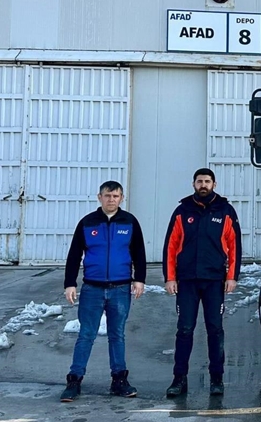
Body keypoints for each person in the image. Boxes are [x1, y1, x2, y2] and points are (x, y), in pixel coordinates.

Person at [60, 181, 146, 402]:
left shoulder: (129, 222)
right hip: (92, 289)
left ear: (122, 198)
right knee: (86, 335)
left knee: (117, 335)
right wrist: (70, 283)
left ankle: (119, 380)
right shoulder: (87, 223)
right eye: (107, 195)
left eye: (116, 196)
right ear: (99, 197)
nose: (111, 200)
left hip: (120, 288)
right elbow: (74, 255)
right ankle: (74, 380)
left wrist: (139, 280)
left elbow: (139, 252)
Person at [163, 168, 242, 397]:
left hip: (214, 281)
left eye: (207, 181)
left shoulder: (226, 211)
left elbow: (234, 245)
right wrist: (170, 278)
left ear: (214, 184)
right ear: (193, 184)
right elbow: (170, 246)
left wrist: (232, 277)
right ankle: (179, 379)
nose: (203, 185)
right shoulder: (182, 210)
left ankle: (217, 379)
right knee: (185, 330)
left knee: (215, 330)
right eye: (199, 181)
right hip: (187, 281)